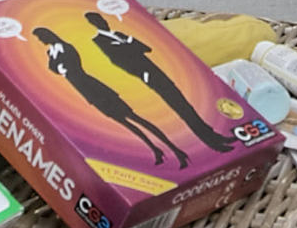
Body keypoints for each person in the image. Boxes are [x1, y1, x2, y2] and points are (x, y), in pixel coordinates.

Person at [31, 26, 186, 167]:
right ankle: (155, 149)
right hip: (87, 92)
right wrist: (59, 65)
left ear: (48, 35)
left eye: (41, 36)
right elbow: (55, 69)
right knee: (125, 123)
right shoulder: (51, 52)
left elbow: (71, 67)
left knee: (135, 118)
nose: (40, 40)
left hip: (94, 87)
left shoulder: (66, 47)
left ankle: (175, 149)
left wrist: (61, 66)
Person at [84, 10, 233, 154]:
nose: (103, 22)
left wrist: (128, 43)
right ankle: (212, 143)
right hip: (147, 76)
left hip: (157, 71)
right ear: (93, 23)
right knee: (180, 107)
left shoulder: (119, 34)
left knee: (184, 105)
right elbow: (119, 60)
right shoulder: (99, 41)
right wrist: (141, 71)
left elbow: (146, 48)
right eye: (98, 20)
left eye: (102, 19)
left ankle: (214, 137)